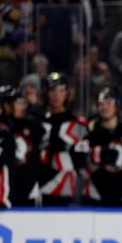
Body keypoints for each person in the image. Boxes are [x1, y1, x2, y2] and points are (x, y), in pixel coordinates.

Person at [37, 72, 89, 206]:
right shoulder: (36, 121)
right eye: (53, 90)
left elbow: (82, 161)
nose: (56, 95)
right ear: (46, 93)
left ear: (67, 93)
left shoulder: (77, 125)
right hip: (35, 189)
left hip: (65, 190)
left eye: (61, 90)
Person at [82, 88, 122, 206]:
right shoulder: (91, 132)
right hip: (95, 196)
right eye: (101, 104)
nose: (104, 107)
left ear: (117, 106)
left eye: (108, 103)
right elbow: (82, 166)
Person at [0, 85, 43, 207]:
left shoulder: (31, 124)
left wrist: (36, 106)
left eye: (23, 103)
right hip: (4, 191)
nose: (23, 107)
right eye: (18, 103)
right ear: (6, 106)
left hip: (28, 189)